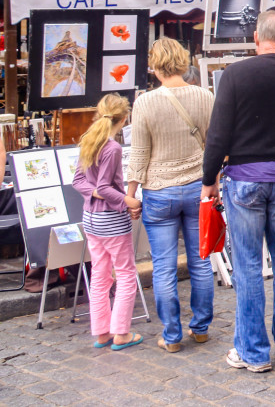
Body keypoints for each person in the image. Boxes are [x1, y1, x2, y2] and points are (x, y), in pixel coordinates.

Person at [202, 9, 275, 373]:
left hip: (244, 176)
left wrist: (209, 179)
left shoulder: (235, 75)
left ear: (255, 38)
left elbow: (218, 133)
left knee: (249, 265)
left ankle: (252, 352)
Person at [126, 38, 215, 353]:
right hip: (196, 186)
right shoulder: (205, 97)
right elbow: (215, 145)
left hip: (159, 190)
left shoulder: (146, 103)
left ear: (154, 66)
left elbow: (139, 153)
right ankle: (201, 328)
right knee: (201, 261)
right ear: (182, 61)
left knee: (163, 266)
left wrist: (130, 193)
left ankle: (173, 335)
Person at [73, 94, 143, 350]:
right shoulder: (112, 148)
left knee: (100, 275)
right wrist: (129, 201)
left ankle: (101, 331)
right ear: (124, 118)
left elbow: (80, 182)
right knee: (125, 274)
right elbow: (104, 186)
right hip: (110, 220)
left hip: (90, 218)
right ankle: (121, 332)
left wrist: (96, 193)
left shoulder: (88, 140)